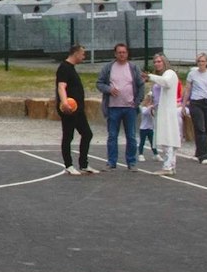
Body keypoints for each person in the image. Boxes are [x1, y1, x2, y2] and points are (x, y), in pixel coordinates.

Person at [96, 43, 145, 171]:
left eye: (124, 52)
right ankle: (111, 162)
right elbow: (99, 83)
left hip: (130, 108)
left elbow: (141, 85)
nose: (122, 54)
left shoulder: (133, 68)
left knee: (131, 136)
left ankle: (131, 162)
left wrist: (137, 101)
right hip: (113, 107)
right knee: (112, 135)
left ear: (127, 53)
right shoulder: (108, 68)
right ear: (115, 54)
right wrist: (109, 89)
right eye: (119, 52)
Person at [54, 44, 96, 175]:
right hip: (69, 109)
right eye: (82, 54)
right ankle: (69, 165)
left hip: (78, 109)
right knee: (68, 135)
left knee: (87, 133)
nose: (84, 57)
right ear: (76, 53)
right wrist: (65, 103)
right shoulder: (64, 68)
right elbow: (61, 86)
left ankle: (83, 164)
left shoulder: (71, 68)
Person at [145, 54, 181, 174]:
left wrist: (150, 76)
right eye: (155, 62)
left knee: (168, 137)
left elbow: (166, 82)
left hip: (167, 110)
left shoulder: (169, 73)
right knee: (166, 137)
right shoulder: (161, 76)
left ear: (164, 62)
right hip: (160, 109)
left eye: (159, 61)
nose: (157, 63)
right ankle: (171, 164)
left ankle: (168, 166)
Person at [184, 53, 207, 163]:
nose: (201, 63)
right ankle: (204, 156)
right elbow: (188, 90)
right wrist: (184, 104)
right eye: (199, 61)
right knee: (200, 128)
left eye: (203, 61)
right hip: (196, 102)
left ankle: (199, 151)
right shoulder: (192, 74)